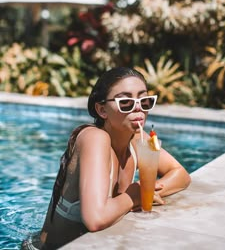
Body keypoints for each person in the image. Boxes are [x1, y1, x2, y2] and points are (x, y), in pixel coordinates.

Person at [22, 67, 191, 250]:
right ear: (102, 110)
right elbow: (95, 219)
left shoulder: (138, 139)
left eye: (144, 101)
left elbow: (181, 175)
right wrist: (133, 196)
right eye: (125, 102)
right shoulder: (94, 138)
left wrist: (147, 192)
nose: (138, 108)